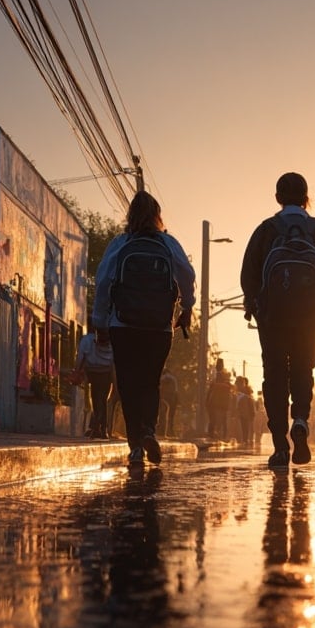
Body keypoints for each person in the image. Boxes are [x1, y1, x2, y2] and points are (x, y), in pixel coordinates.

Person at [241, 172, 315, 470]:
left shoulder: (266, 230)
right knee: (303, 370)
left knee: (274, 375)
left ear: (277, 198)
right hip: (308, 316)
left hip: (272, 317)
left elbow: (248, 272)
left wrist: (254, 304)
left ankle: (279, 446)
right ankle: (300, 419)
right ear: (306, 198)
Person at [92, 190, 196, 467]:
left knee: (127, 384)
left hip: (123, 325)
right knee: (150, 381)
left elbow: (103, 283)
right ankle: (149, 430)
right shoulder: (168, 243)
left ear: (130, 215)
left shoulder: (120, 243)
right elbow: (186, 274)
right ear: (157, 215)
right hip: (158, 327)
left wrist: (100, 323)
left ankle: (135, 445)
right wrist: (187, 307)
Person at [75, 326, 116, 439]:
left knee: (100, 400)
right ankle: (100, 428)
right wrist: (77, 371)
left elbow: (80, 357)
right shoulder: (88, 341)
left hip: (101, 373)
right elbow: (80, 358)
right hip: (97, 372)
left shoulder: (87, 340)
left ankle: (99, 427)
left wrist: (77, 370)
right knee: (99, 400)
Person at [206, 358, 233, 440]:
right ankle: (212, 435)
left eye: (220, 364)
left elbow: (228, 387)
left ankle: (222, 436)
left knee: (221, 420)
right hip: (215, 401)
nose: (218, 366)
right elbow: (211, 388)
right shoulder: (213, 374)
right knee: (213, 419)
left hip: (221, 402)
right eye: (218, 364)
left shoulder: (224, 376)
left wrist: (217, 385)